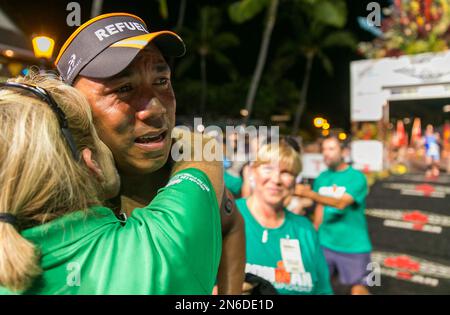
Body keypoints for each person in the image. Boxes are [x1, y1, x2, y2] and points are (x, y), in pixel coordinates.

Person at [54, 13, 245, 294]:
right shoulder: (53, 195)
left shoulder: (177, 169)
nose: (156, 108)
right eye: (124, 88)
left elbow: (232, 224)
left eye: (161, 81)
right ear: (73, 109)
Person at [0, 73, 222, 294]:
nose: (154, 108)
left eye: (162, 80)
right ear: (91, 163)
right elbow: (202, 154)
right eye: (97, 135)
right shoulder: (158, 250)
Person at [236, 141, 333, 295]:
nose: (276, 179)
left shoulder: (304, 229)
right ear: (252, 172)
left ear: (295, 181)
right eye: (268, 168)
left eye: (286, 172)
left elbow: (323, 290)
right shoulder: (228, 218)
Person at [295, 135, 372, 295]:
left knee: (359, 290)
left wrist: (309, 194)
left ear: (343, 151)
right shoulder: (322, 177)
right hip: (325, 244)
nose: (326, 153)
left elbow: (341, 203)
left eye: (331, 149)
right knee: (318, 287)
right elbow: (320, 207)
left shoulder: (356, 177)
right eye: (323, 149)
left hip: (354, 246)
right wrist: (315, 229)